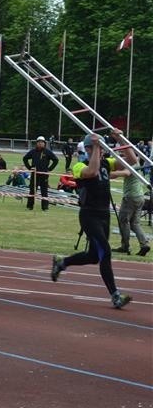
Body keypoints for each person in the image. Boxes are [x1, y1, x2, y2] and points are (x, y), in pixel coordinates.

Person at [51, 130, 134, 309]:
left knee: (94, 256)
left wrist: (119, 138)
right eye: (98, 147)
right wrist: (96, 146)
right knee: (106, 251)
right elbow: (92, 171)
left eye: (103, 148)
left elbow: (132, 161)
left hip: (104, 215)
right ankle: (115, 296)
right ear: (88, 149)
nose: (103, 151)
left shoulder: (106, 163)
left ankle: (62, 262)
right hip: (89, 215)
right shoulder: (79, 166)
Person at [111, 159, 150, 256]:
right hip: (139, 196)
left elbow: (127, 173)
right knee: (135, 224)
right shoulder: (135, 164)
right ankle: (144, 244)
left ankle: (125, 246)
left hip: (131, 197)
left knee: (123, 221)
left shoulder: (133, 164)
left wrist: (110, 173)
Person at [23, 136, 59, 211]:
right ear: (36, 143)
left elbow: (56, 160)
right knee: (32, 190)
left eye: (42, 142)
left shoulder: (47, 152)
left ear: (44, 144)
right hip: (34, 174)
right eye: (39, 142)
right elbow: (25, 158)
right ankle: (30, 206)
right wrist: (29, 167)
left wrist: (49, 169)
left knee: (44, 191)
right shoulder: (33, 151)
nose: (40, 144)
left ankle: (45, 207)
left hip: (44, 174)